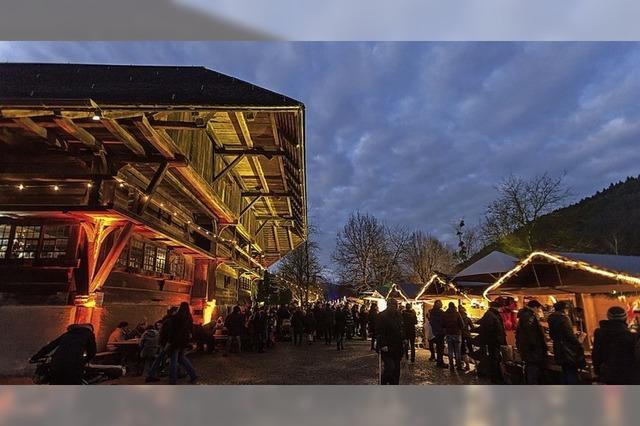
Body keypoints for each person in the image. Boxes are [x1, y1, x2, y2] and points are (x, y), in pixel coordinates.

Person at [30, 323, 97, 385]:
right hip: (74, 365)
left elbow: (51, 346)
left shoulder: (67, 334)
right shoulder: (89, 334)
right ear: (90, 329)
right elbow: (92, 352)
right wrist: (85, 361)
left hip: (57, 363)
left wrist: (35, 357)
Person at [592, 306, 638, 385]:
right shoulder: (632, 336)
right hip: (629, 373)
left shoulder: (600, 333)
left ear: (608, 317)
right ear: (625, 318)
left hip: (609, 373)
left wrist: (597, 370)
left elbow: (596, 353)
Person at [548, 301, 585, 385]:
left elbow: (552, 334)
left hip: (558, 348)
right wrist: (578, 341)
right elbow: (569, 335)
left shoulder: (552, 318)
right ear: (565, 309)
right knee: (571, 371)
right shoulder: (564, 318)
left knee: (565, 370)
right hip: (567, 350)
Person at [515, 300, 547, 384]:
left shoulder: (524, 315)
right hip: (531, 349)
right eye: (538, 309)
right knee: (533, 368)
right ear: (535, 307)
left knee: (530, 368)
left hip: (526, 348)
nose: (538, 311)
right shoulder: (529, 316)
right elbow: (531, 334)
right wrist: (536, 346)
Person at [165, 302, 198, 384]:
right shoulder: (189, 317)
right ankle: (193, 374)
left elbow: (172, 331)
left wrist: (169, 341)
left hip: (176, 341)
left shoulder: (176, 317)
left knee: (174, 361)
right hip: (184, 341)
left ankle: (173, 380)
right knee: (181, 358)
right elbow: (191, 330)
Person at [376, 298, 404, 384]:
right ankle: (384, 382)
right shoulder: (382, 315)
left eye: (395, 305)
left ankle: (394, 384)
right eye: (392, 305)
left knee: (396, 368)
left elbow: (402, 328)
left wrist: (404, 338)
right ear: (388, 305)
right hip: (387, 347)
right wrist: (383, 344)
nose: (394, 306)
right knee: (390, 367)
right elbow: (379, 331)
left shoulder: (399, 315)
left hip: (397, 346)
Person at [477, 300, 507, 384]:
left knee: (496, 359)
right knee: (494, 359)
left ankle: (497, 377)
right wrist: (496, 339)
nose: (501, 309)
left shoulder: (492, 314)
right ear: (496, 307)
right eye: (500, 307)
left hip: (495, 341)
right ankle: (495, 378)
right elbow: (490, 330)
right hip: (493, 342)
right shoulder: (490, 315)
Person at [442, 302, 464, 371]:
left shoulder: (445, 314)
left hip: (449, 334)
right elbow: (462, 324)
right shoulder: (457, 313)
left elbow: (443, 324)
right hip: (456, 334)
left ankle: (451, 366)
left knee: (450, 350)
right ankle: (458, 366)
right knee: (457, 351)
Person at [429, 300, 447, 368]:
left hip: (437, 332)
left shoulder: (433, 312)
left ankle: (440, 361)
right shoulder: (438, 312)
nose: (441, 304)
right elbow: (440, 322)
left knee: (439, 347)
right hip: (439, 332)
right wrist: (442, 329)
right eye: (440, 303)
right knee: (440, 348)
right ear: (437, 304)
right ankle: (440, 362)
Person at [458, 305, 474, 370]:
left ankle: (467, 365)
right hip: (468, 335)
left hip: (461, 336)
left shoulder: (458, 318)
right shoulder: (468, 318)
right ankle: (476, 365)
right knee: (471, 350)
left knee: (463, 351)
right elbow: (472, 327)